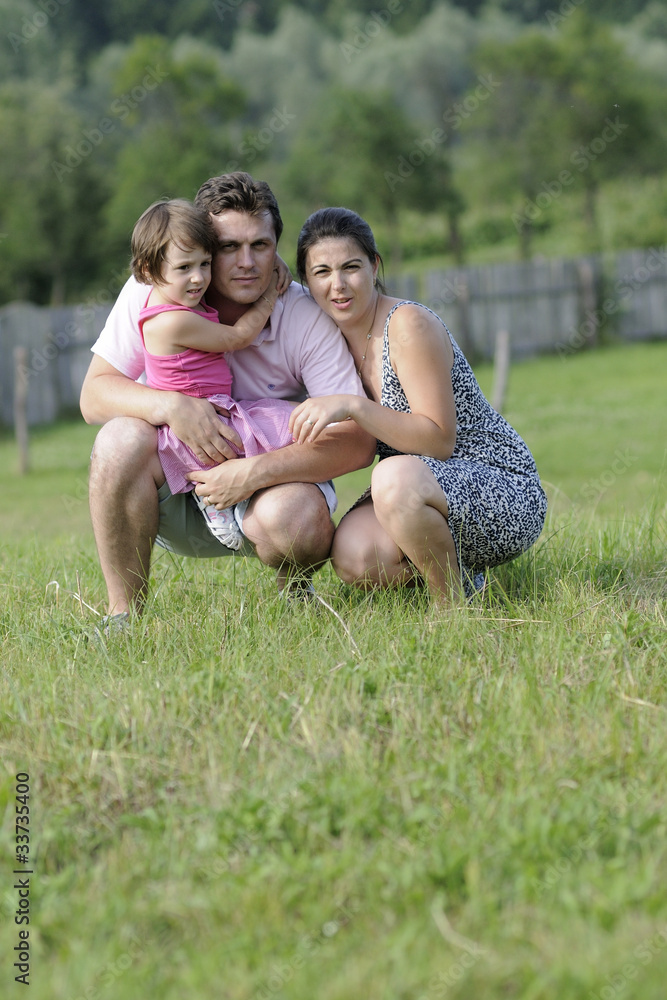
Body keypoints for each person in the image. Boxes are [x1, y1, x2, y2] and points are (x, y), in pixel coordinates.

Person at [80, 174, 375, 624]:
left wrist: (252, 473)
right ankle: (123, 617)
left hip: (268, 493)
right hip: (172, 485)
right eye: (229, 246)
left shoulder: (302, 314)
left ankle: (295, 589)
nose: (246, 262)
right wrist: (171, 406)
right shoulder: (156, 287)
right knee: (118, 440)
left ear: (276, 248)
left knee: (295, 518)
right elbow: (94, 395)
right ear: (202, 245)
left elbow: (356, 440)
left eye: (260, 245)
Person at [289, 207, 547, 606]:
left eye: (351, 267)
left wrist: (354, 406)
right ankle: (464, 576)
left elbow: (438, 441)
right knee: (354, 555)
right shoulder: (326, 342)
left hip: (499, 486)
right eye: (322, 272)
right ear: (306, 282)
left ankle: (450, 607)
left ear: (375, 266)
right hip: (419, 488)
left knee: (391, 476)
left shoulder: (407, 324)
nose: (338, 285)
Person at [131, 197, 294, 552]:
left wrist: (270, 261)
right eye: (184, 268)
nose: (199, 278)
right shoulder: (173, 320)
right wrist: (269, 293)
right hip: (203, 421)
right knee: (290, 427)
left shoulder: (172, 298)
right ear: (147, 271)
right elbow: (238, 337)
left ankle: (232, 498)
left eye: (205, 264)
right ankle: (216, 502)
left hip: (210, 410)